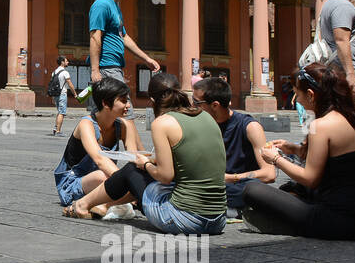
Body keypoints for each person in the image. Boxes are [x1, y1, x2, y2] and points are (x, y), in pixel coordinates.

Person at [243, 62, 355, 239]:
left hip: (343, 220)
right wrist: (294, 149)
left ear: (311, 95)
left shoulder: (320, 125)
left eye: (297, 94)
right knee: (291, 189)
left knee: (252, 190)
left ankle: (287, 223)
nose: (298, 100)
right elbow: (339, 162)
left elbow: (310, 179)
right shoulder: (350, 115)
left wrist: (276, 159)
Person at [68, 73, 226, 235]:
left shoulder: (162, 123)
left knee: (131, 170)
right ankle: (102, 205)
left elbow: (165, 176)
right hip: (218, 220)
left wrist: (145, 164)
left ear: (152, 101)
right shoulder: (207, 117)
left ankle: (82, 205)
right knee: (143, 170)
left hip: (185, 220)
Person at [56, 76, 144, 216]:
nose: (127, 105)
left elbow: (133, 159)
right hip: (74, 183)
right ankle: (115, 202)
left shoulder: (124, 126)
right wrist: (124, 182)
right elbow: (100, 160)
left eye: (127, 100)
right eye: (122, 101)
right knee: (102, 176)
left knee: (140, 180)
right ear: (106, 103)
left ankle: (103, 205)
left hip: (109, 181)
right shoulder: (87, 124)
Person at [192, 76, 276, 218]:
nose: (192, 106)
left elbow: (269, 174)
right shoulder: (201, 124)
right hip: (213, 185)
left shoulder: (250, 127)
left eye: (196, 103)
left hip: (238, 187)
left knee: (252, 190)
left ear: (215, 105)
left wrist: (230, 178)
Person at [89, 0, 160, 86]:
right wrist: (95, 70)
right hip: (106, 67)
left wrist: (146, 59)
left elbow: (123, 36)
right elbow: (95, 37)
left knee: (108, 104)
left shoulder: (115, 7)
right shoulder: (101, 5)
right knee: (123, 104)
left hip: (114, 66)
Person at [50, 55, 79, 136]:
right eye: (66, 61)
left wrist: (52, 97)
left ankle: (56, 128)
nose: (68, 62)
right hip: (62, 94)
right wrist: (75, 94)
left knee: (59, 112)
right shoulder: (65, 72)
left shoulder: (54, 72)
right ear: (62, 62)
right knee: (62, 112)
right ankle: (58, 131)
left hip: (55, 95)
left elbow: (52, 85)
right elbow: (70, 84)